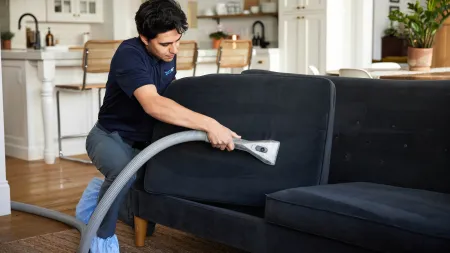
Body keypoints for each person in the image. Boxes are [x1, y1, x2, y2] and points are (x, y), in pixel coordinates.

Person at [75, 0, 241, 252]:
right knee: (122, 173)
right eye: (165, 43)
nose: (174, 50)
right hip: (110, 137)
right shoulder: (129, 54)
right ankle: (101, 238)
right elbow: (153, 104)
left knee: (147, 213)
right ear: (144, 37)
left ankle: (97, 193)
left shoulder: (168, 54)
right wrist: (209, 123)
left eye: (178, 41)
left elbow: (169, 95)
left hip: (146, 143)